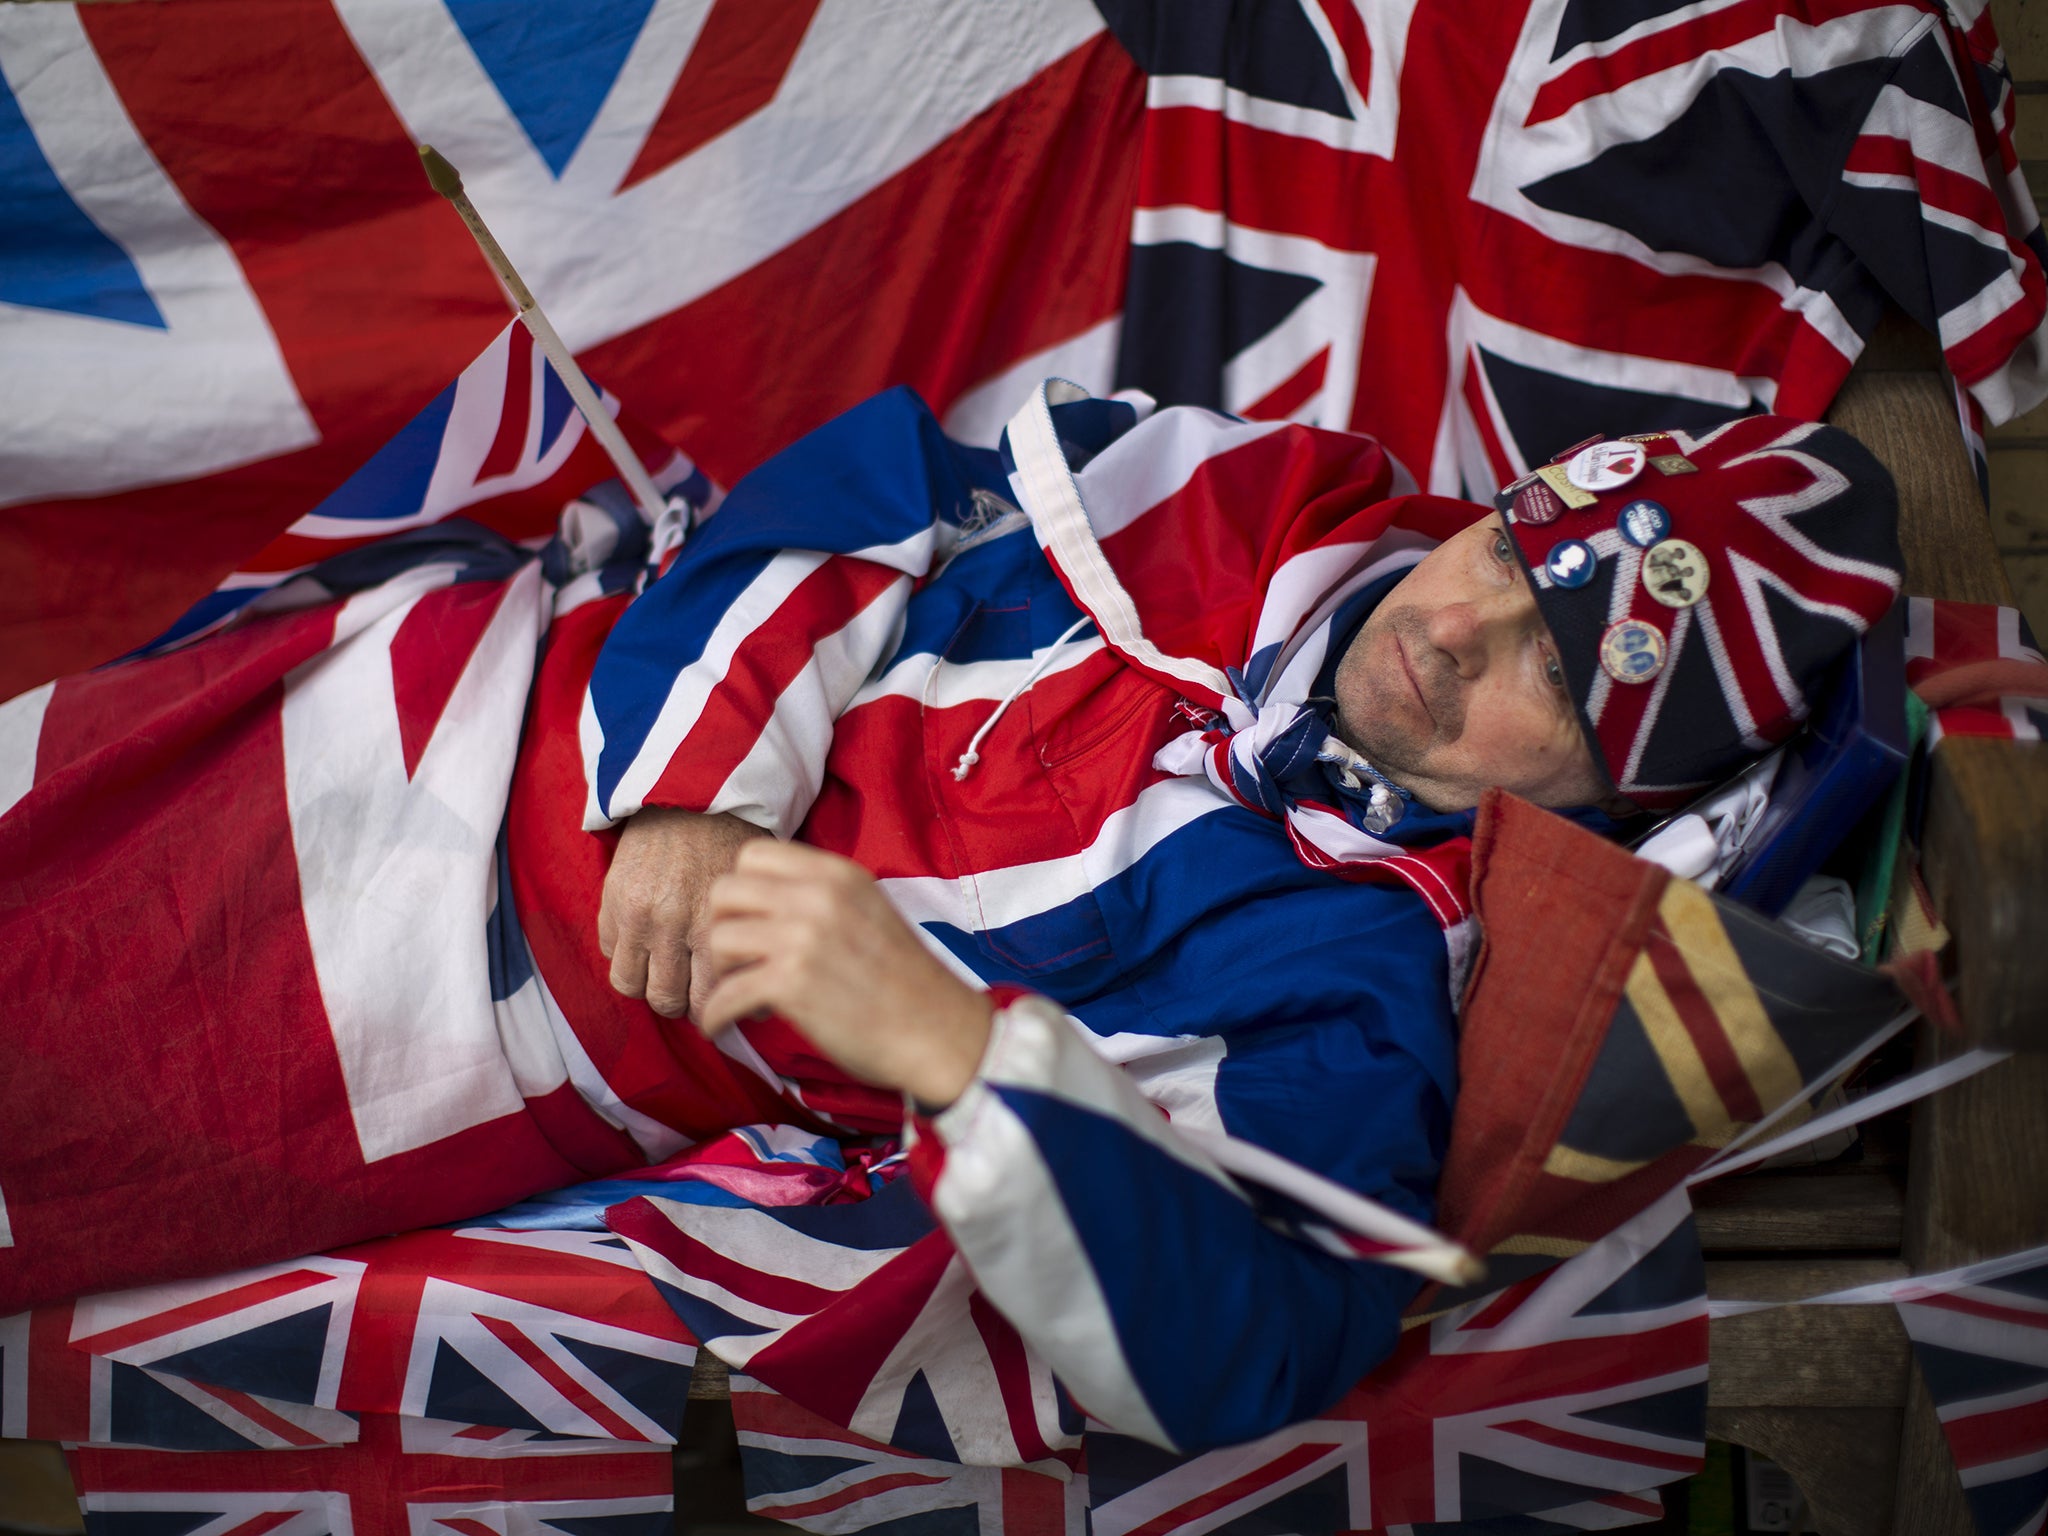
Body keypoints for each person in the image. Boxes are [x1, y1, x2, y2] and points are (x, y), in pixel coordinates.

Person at [499, 382, 1905, 1458]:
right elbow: (904, 475)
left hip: (502, 1023)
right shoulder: (1277, 499)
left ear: (1606, 797)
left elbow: (1255, 1335)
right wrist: (695, 789)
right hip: (483, 684)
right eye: (1501, 555)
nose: (1457, 632)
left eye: (1552, 666)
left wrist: (967, 1064)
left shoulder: (1360, 990)